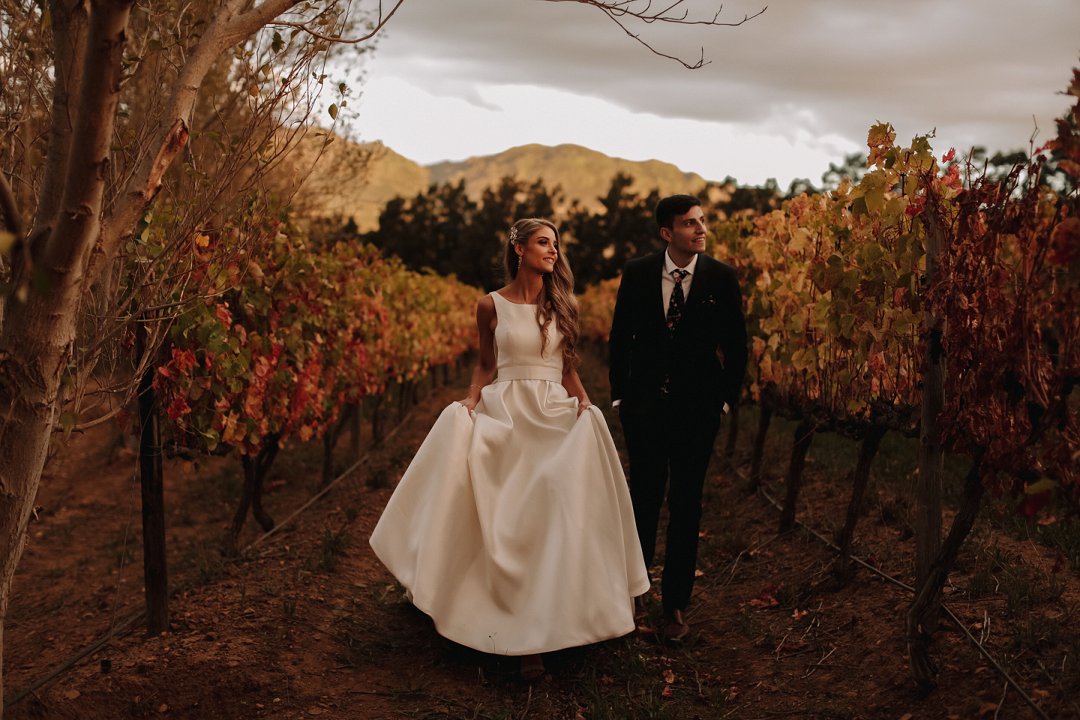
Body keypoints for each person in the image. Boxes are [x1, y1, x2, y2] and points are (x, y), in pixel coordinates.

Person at [370, 218, 649, 679]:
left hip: (552, 412)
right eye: (543, 242)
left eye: (555, 244)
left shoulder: (563, 305)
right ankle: (515, 633)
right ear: (519, 249)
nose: (553, 251)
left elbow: (567, 369)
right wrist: (471, 400)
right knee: (506, 516)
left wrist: (585, 403)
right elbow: (486, 365)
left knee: (553, 506)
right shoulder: (490, 305)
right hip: (506, 412)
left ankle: (556, 621)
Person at [608, 194, 747, 642]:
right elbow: (620, 336)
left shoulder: (722, 277)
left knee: (687, 504)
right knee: (644, 500)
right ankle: (636, 594)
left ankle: (675, 606)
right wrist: (620, 397)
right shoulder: (638, 272)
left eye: (702, 221)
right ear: (667, 233)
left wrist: (723, 401)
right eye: (690, 223)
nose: (701, 229)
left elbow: (737, 345)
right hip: (644, 409)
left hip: (697, 412)